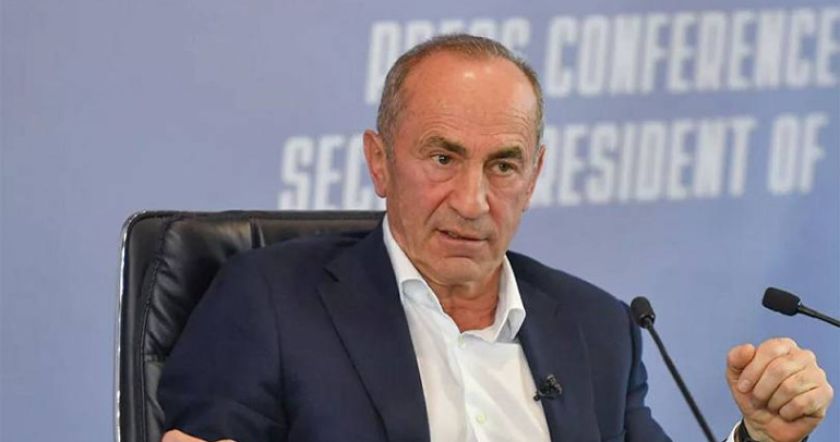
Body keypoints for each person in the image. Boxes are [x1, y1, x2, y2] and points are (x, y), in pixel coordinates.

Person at [159, 34, 833, 442]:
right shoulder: (272, 302)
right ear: (379, 162)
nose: (473, 200)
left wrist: (760, 439)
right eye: (443, 158)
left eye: (503, 166)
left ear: (534, 175)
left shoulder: (597, 328)